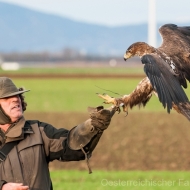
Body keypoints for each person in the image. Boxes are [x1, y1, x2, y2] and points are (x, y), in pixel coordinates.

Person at [0, 77, 117, 190]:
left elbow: (72, 146)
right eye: (6, 98)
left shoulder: (39, 132)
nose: (15, 99)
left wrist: (93, 126)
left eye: (17, 95)